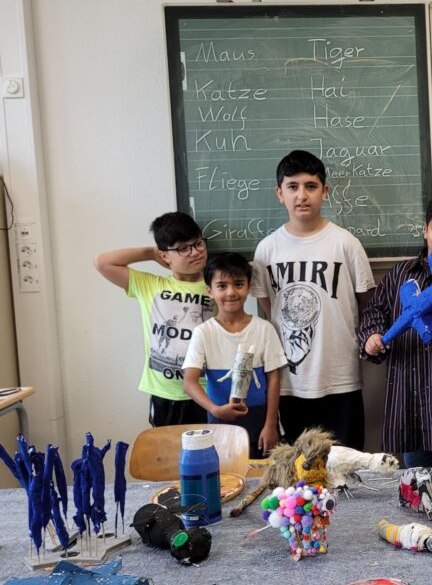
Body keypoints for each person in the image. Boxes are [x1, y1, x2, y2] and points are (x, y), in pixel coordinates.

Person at [251, 150, 375, 449]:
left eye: (311, 186)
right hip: (290, 382)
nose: (301, 195)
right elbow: (270, 308)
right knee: (300, 473)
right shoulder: (267, 250)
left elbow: (365, 302)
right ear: (280, 193)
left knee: (347, 466)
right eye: (292, 187)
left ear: (325, 191)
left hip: (340, 376)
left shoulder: (346, 243)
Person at [359, 193, 432, 468]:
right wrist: (372, 337)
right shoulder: (400, 274)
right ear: (425, 230)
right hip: (406, 394)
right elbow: (374, 312)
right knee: (413, 479)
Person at [94, 212, 213, 427]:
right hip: (164, 393)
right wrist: (150, 253)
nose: (195, 252)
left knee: (210, 454)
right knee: (166, 455)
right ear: (165, 255)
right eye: (183, 248)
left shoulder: (217, 284)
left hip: (206, 391)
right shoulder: (150, 285)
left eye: (198, 243)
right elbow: (102, 262)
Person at [182, 253, 286, 458]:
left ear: (248, 287)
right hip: (220, 423)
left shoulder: (264, 328)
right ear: (209, 291)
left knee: (262, 478)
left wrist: (271, 425)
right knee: (227, 480)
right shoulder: (204, 332)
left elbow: (274, 378)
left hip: (260, 421)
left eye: (238, 284)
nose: (231, 292)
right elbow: (189, 382)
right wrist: (215, 409)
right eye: (222, 286)